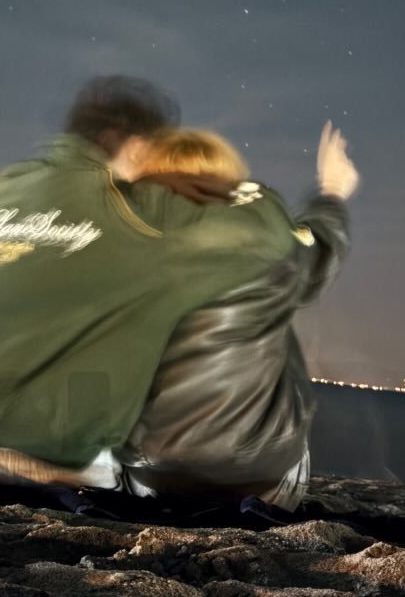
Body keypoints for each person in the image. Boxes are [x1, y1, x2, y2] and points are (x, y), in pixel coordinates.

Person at [0, 76, 318, 491]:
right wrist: (226, 187)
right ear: (138, 147)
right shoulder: (140, 211)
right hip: (57, 460)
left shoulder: (0, 189)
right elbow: (273, 235)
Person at [117, 124, 356, 509]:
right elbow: (323, 245)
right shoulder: (272, 242)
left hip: (154, 474)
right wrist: (331, 191)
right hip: (260, 477)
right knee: (273, 321)